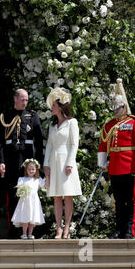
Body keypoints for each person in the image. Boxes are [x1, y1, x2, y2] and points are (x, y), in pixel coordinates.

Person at [98, 79, 135, 239]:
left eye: (117, 107)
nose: (115, 110)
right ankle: (119, 230)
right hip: (114, 167)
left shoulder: (134, 122)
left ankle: (129, 231)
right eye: (113, 107)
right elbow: (103, 144)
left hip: (130, 166)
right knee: (118, 200)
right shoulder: (109, 125)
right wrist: (102, 162)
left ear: (124, 107)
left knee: (131, 199)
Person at [0, 88, 44, 238]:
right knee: (12, 194)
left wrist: (39, 163)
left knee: (29, 194)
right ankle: (13, 229)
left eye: (26, 100)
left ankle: (29, 230)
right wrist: (1, 161)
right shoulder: (5, 116)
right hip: (11, 159)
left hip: (27, 158)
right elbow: (0, 142)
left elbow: (39, 141)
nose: (25, 102)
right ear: (15, 99)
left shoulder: (32, 116)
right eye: (22, 99)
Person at [43, 87, 82, 239]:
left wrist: (70, 163)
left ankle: (67, 228)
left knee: (67, 195)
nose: (51, 108)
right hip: (54, 161)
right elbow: (49, 146)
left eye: (53, 105)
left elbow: (74, 144)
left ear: (60, 107)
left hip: (66, 161)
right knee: (56, 196)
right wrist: (46, 165)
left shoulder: (72, 123)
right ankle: (58, 228)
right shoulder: (53, 126)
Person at [11, 159, 46, 240]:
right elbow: (19, 188)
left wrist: (48, 176)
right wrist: (22, 189)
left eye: (33, 169)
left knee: (32, 217)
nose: (31, 171)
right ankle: (24, 233)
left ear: (36, 170)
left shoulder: (38, 179)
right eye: (29, 169)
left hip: (34, 201)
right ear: (26, 170)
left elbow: (44, 186)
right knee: (25, 216)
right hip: (25, 201)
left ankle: (30, 234)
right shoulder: (22, 179)